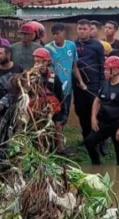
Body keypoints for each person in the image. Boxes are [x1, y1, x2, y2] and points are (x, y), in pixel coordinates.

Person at [85, 55, 119, 166]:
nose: (105, 72)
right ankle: (96, 164)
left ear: (115, 70)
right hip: (104, 123)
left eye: (107, 69)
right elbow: (97, 100)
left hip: (118, 124)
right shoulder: (105, 84)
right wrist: (93, 117)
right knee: (89, 141)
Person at [45, 23, 82, 156]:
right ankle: (59, 147)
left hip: (67, 88)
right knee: (55, 116)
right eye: (54, 34)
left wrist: (81, 82)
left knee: (63, 116)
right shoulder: (48, 48)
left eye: (58, 33)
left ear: (63, 33)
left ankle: (58, 143)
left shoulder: (71, 46)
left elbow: (74, 66)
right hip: (53, 88)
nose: (56, 36)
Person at [74, 19, 105, 144]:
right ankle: (86, 138)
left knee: (96, 111)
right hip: (78, 85)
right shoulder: (72, 45)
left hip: (94, 84)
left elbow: (102, 66)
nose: (82, 31)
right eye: (79, 29)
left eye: (85, 29)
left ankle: (100, 139)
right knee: (81, 111)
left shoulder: (97, 45)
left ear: (90, 30)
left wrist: (102, 85)